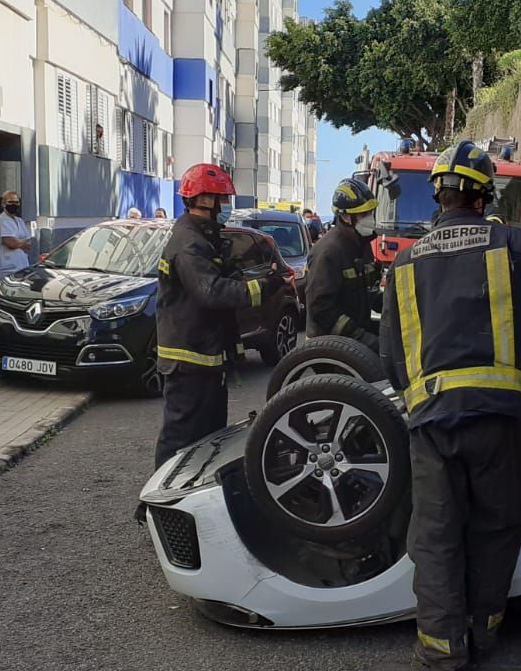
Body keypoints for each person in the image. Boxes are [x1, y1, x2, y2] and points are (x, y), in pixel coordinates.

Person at [380, 141, 521, 671]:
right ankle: (484, 632)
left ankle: (442, 651)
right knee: (494, 526)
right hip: (497, 417)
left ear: (436, 195)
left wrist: (416, 398)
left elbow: (391, 354)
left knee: (437, 534)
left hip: (432, 421)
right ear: (486, 194)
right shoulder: (513, 245)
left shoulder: (405, 260)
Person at [153, 164, 288, 468]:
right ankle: (153, 506)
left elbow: (223, 281)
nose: (226, 206)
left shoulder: (205, 237)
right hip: (189, 362)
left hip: (205, 359)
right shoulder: (189, 243)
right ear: (204, 200)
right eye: (222, 199)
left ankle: (190, 504)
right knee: (180, 439)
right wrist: (265, 287)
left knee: (208, 438)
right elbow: (212, 292)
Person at [304, 177, 381, 348]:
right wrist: (360, 337)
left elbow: (369, 292)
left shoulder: (362, 245)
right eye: (364, 214)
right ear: (346, 217)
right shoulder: (328, 252)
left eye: (370, 213)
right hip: (329, 346)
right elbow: (321, 308)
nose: (369, 218)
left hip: (353, 338)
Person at [0, 190, 33, 275]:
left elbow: (29, 244)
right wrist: (22, 242)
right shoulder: (2, 220)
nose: (13, 205)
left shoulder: (20, 221)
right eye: (10, 202)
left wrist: (18, 242)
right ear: (3, 204)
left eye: (16, 202)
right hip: (7, 270)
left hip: (22, 267)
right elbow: (11, 243)